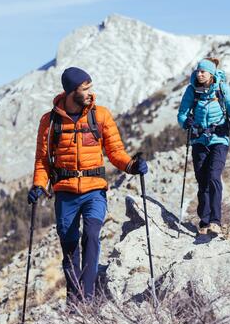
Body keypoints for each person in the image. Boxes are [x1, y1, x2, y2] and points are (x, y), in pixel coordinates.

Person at [28, 67, 148, 302]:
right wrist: (38, 186)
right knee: (70, 247)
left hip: (95, 190)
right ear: (72, 91)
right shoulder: (50, 121)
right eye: (85, 88)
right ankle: (75, 302)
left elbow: (115, 151)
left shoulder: (100, 115)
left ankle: (89, 298)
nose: (91, 92)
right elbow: (42, 159)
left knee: (92, 235)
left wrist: (132, 166)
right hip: (65, 193)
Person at [177, 58, 230, 236]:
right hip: (199, 140)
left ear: (211, 74)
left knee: (213, 176)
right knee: (202, 180)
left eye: (203, 71)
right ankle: (204, 222)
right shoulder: (192, 90)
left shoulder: (222, 87)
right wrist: (185, 122)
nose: (200, 74)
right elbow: (182, 113)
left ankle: (215, 221)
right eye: (198, 71)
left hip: (219, 138)